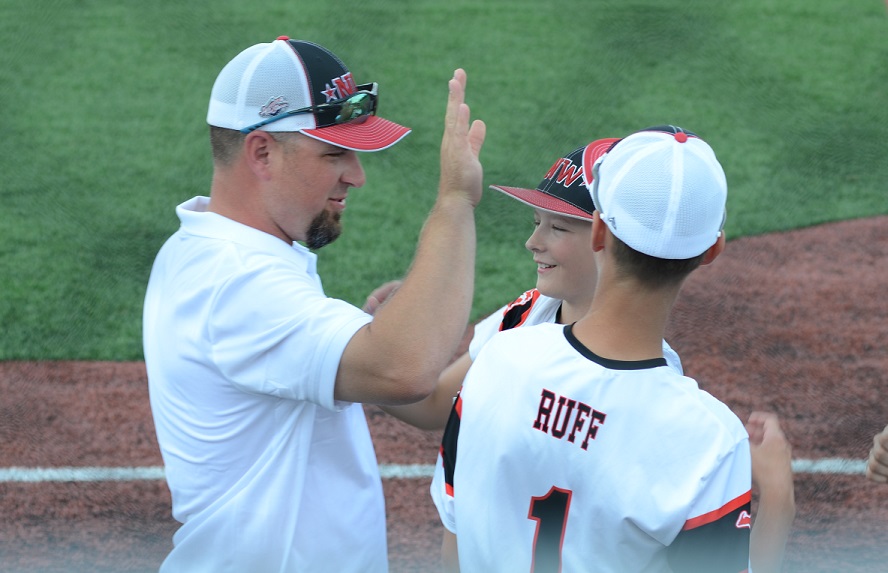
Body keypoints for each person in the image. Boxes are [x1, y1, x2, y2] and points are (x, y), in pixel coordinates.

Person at [142, 36, 485, 572]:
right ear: (262, 153)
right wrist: (456, 202)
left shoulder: (212, 248)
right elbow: (404, 369)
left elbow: (403, 376)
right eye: (334, 153)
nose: (356, 174)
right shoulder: (236, 280)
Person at [384, 138, 795, 571]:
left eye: (557, 226)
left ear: (599, 231)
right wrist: (779, 503)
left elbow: (456, 543)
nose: (533, 241)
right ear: (712, 251)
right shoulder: (707, 441)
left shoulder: (499, 358)